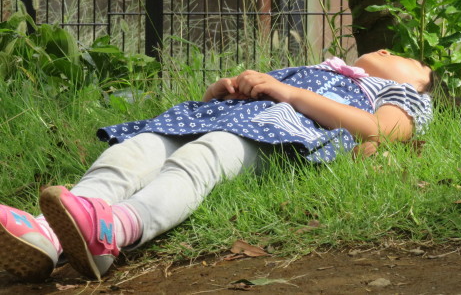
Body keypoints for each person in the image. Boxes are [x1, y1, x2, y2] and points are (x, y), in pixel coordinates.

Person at [0, 50, 434, 282]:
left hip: (274, 134)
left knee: (199, 161)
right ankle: (48, 235)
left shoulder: (397, 93)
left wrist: (284, 92)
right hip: (215, 117)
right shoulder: (320, 68)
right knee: (133, 151)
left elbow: (384, 129)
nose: (383, 49)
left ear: (416, 83)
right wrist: (222, 90)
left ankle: (114, 231)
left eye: (407, 58)